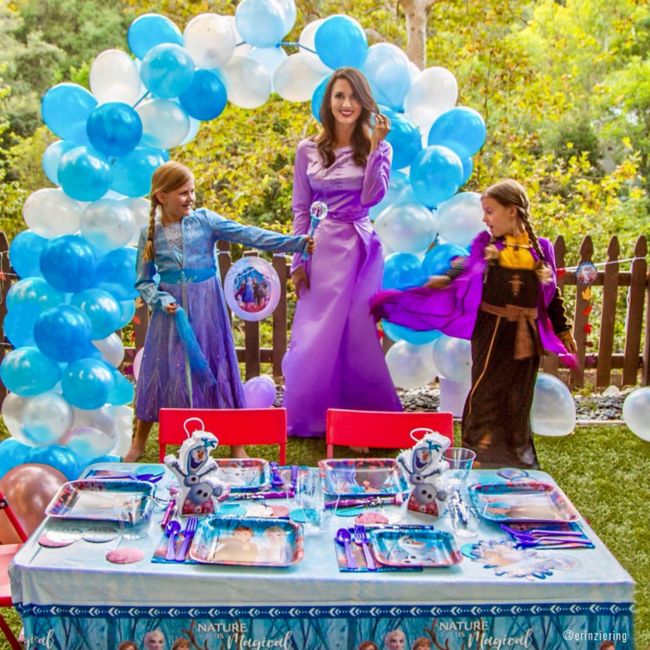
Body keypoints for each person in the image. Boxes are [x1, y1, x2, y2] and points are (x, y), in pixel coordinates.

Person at [372, 179, 577, 468]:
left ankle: (517, 457)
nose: (484, 219)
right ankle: (478, 453)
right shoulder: (488, 246)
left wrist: (563, 328)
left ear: (512, 211)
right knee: (485, 391)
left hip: (525, 337)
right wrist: (446, 277)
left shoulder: (541, 250)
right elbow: (467, 265)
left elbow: (551, 295)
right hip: (491, 332)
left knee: (518, 397)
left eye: (490, 211)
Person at [126, 161, 314, 462]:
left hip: (207, 307)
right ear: (161, 196)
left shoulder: (205, 221)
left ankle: (236, 443)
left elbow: (249, 234)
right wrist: (159, 298)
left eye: (192, 191)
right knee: (159, 367)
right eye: (183, 193)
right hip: (171, 313)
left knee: (220, 364)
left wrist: (296, 243)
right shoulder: (149, 233)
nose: (191, 198)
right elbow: (143, 280)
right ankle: (138, 443)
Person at [283, 67, 402, 438]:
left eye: (353, 96)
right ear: (328, 101)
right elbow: (301, 209)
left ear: (364, 103)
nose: (346, 103)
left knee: (358, 333)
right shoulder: (307, 150)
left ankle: (361, 418)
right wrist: (298, 260)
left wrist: (377, 147)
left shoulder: (379, 147)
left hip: (360, 249)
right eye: (339, 95)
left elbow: (371, 197)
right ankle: (312, 417)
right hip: (320, 248)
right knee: (314, 334)